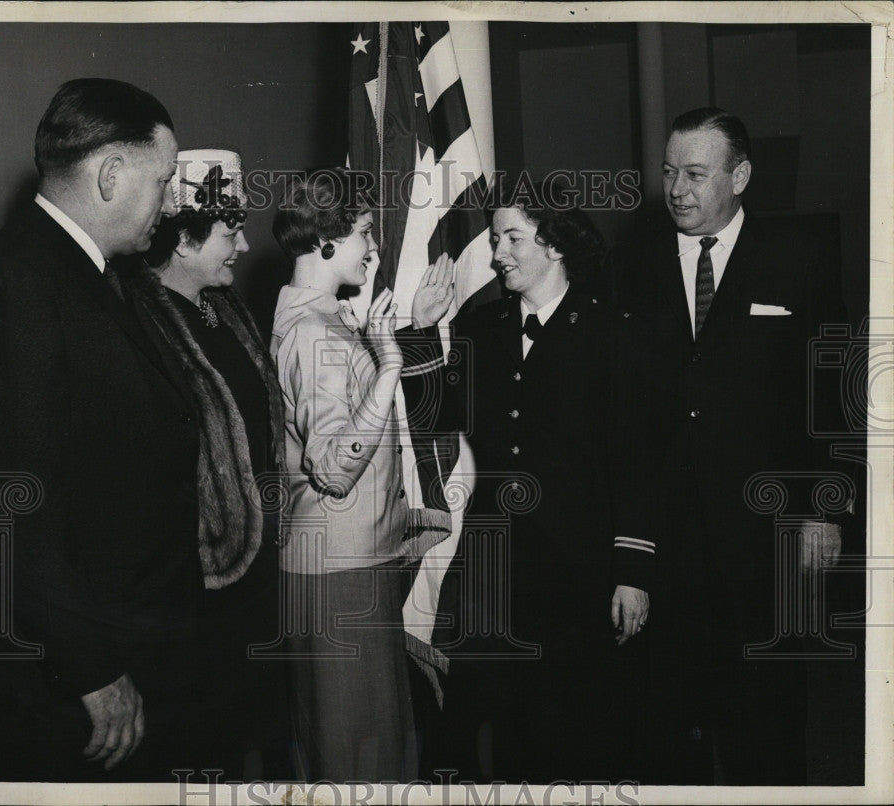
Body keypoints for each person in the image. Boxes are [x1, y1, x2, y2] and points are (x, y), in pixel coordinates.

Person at [0, 78, 205, 781]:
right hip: (81, 684)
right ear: (112, 175)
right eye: (164, 180)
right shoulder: (15, 283)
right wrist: (92, 670)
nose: (173, 202)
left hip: (128, 648)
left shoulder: (78, 274)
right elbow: (6, 505)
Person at [607, 107, 848, 784]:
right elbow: (630, 415)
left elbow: (826, 393)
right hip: (672, 545)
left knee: (766, 725)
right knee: (668, 728)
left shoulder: (798, 260)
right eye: (667, 173)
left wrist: (823, 509)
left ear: (739, 175)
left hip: (767, 539)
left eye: (694, 173)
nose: (677, 189)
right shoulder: (635, 267)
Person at [398, 180, 620, 782]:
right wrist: (420, 332)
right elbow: (435, 416)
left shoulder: (608, 331)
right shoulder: (482, 324)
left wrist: (634, 570)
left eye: (511, 238)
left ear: (554, 245)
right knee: (469, 737)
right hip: (492, 570)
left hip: (575, 571)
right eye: (495, 238)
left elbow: (637, 459)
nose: (497, 253)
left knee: (565, 739)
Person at [269, 169, 452, 782]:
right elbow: (337, 467)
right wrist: (390, 367)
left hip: (348, 567)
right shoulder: (311, 331)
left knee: (361, 748)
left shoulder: (319, 320)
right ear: (326, 240)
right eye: (365, 231)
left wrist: (398, 335)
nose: (373, 247)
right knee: (355, 761)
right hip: (339, 576)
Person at [121, 149, 291, 778]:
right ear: (185, 239)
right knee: (203, 747)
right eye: (229, 232)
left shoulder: (228, 308)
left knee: (265, 737)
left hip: (258, 574)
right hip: (193, 591)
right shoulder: (136, 322)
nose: (243, 246)